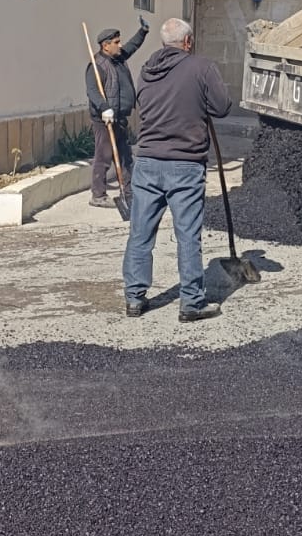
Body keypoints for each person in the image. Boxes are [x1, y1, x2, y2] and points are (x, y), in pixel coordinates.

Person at [122, 17, 231, 321]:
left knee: (140, 233)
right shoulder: (202, 68)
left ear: (162, 43)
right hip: (185, 164)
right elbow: (222, 107)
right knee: (188, 236)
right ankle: (191, 303)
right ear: (187, 42)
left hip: (147, 163)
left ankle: (134, 298)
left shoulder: (146, 70)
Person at [86, 19, 149, 208]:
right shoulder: (96, 66)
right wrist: (104, 107)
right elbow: (92, 91)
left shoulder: (118, 58)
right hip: (104, 120)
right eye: (116, 42)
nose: (120, 45)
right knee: (103, 156)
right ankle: (98, 195)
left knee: (125, 157)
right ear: (105, 45)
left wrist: (143, 31)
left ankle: (129, 192)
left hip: (119, 118)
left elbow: (132, 46)